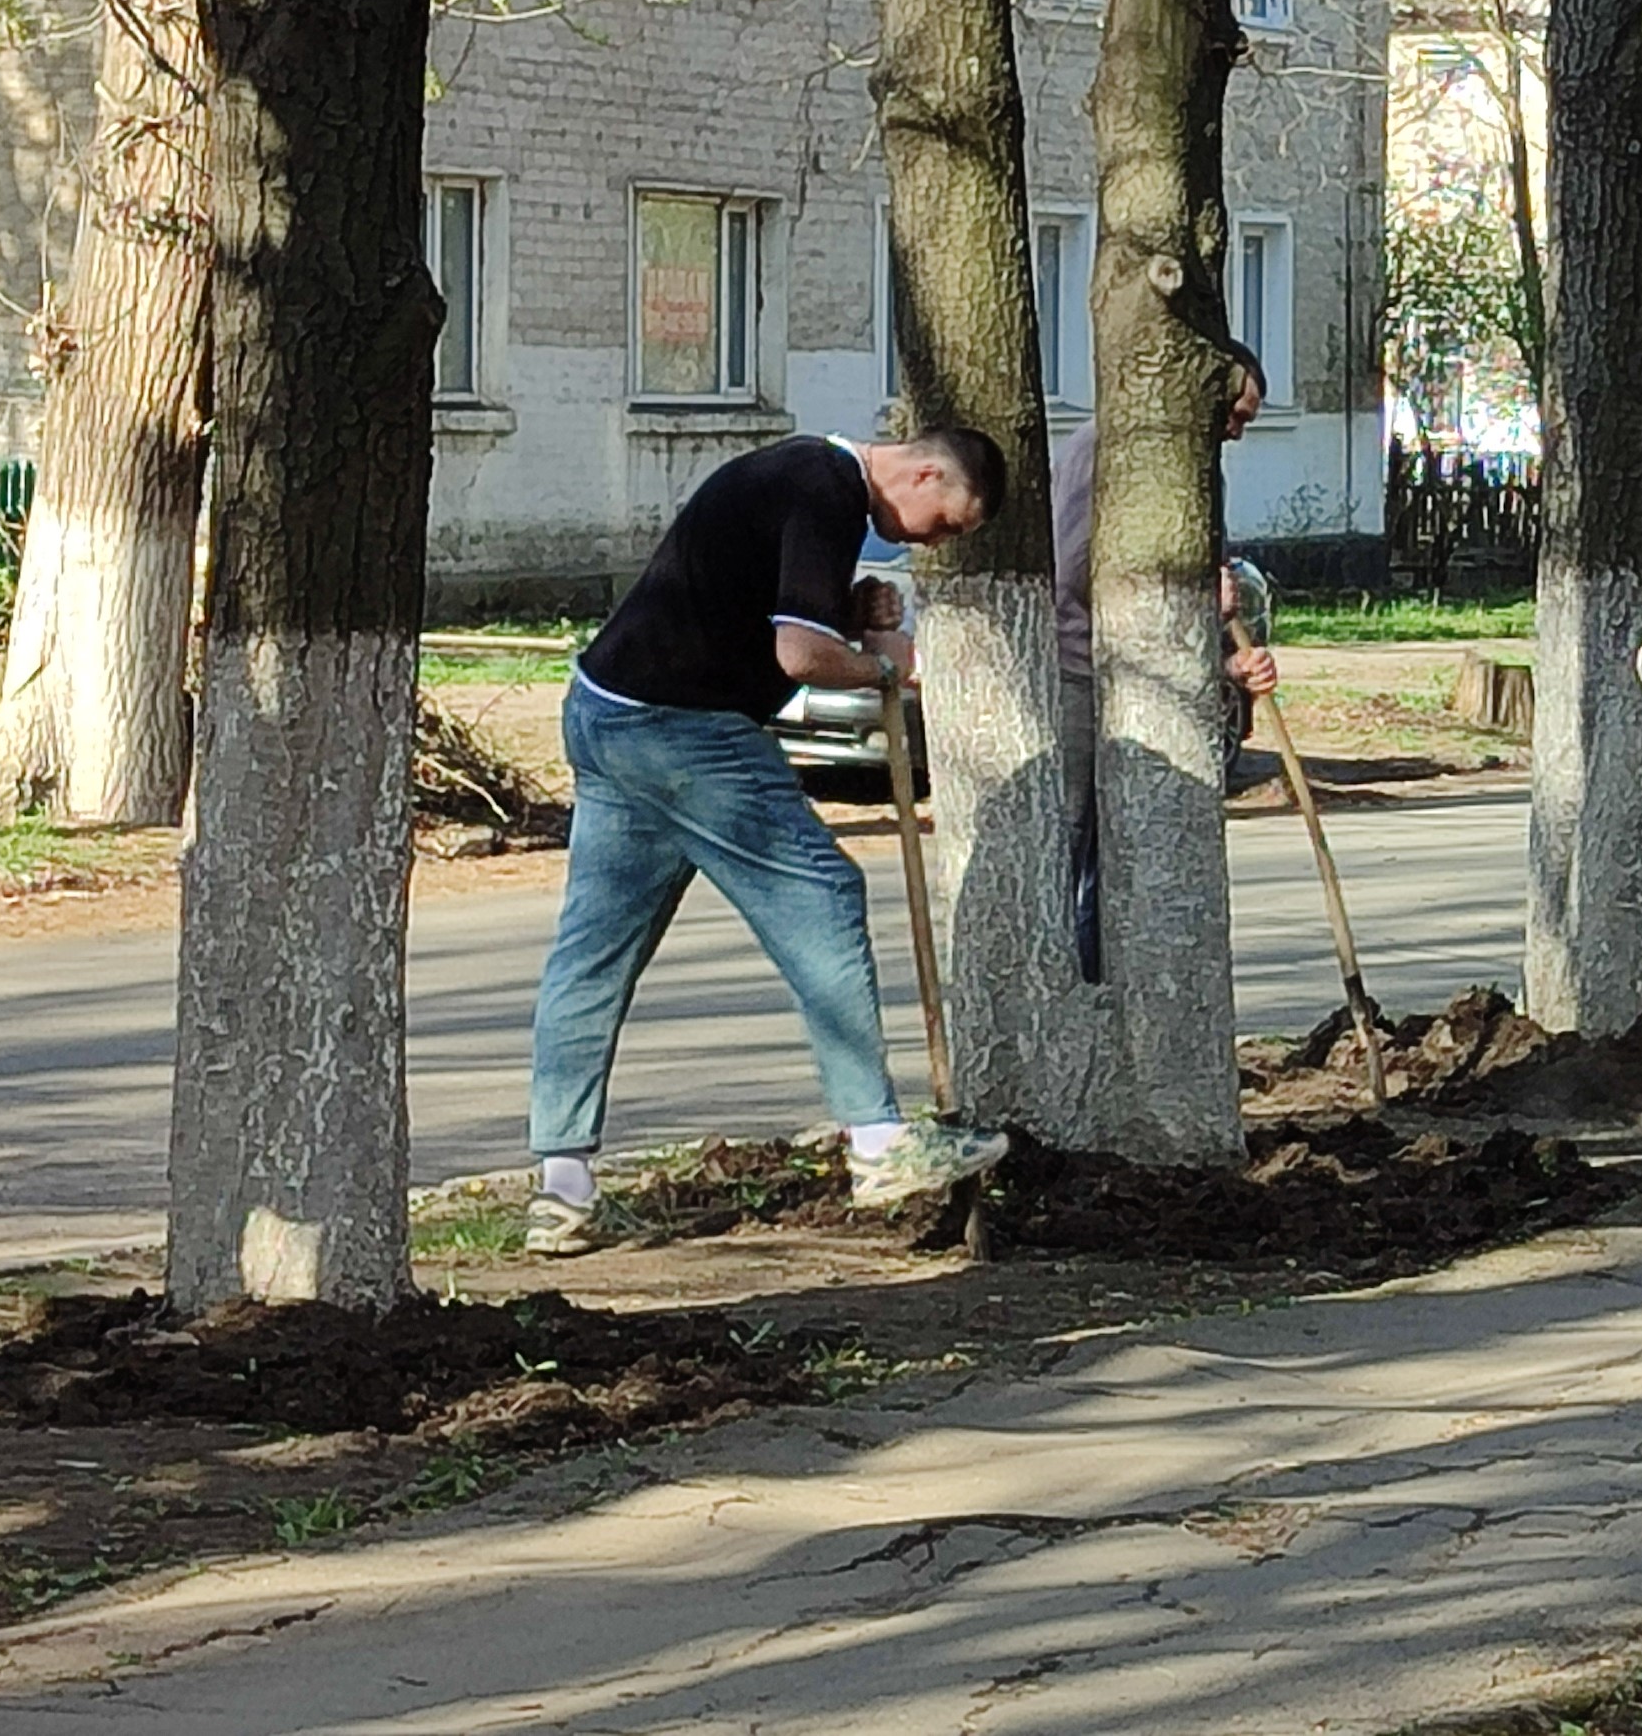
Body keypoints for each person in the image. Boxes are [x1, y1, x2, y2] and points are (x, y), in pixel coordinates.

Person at [524, 428, 1018, 1256]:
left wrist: (850, 616)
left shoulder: (797, 474)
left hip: (606, 709)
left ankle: (561, 1189)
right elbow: (802, 653)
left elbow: (766, 609)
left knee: (594, 953)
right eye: (946, 521)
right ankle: (876, 1140)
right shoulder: (825, 490)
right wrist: (890, 667)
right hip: (685, 732)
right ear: (925, 469)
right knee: (823, 890)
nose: (937, 540)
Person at [1050, 344, 1281, 979]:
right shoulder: (1109, 452)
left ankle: (1104, 995)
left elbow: (1204, 584)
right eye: (1236, 414)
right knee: (1071, 844)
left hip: (1148, 680)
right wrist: (1188, 596)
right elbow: (1074, 571)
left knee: (1124, 855)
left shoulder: (1197, 467)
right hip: (1080, 672)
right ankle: (1065, 994)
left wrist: (1229, 668)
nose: (1236, 431)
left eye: (1247, 421)